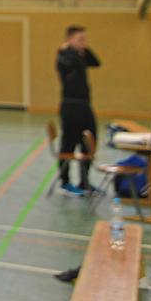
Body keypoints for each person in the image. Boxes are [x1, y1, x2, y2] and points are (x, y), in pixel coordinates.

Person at [56, 25, 101, 197]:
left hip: (84, 106)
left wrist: (84, 49)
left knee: (89, 142)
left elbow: (96, 62)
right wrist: (69, 49)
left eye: (85, 39)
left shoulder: (80, 54)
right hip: (71, 106)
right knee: (69, 144)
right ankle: (65, 182)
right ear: (69, 40)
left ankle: (84, 181)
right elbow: (73, 64)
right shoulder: (64, 55)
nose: (84, 42)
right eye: (80, 39)